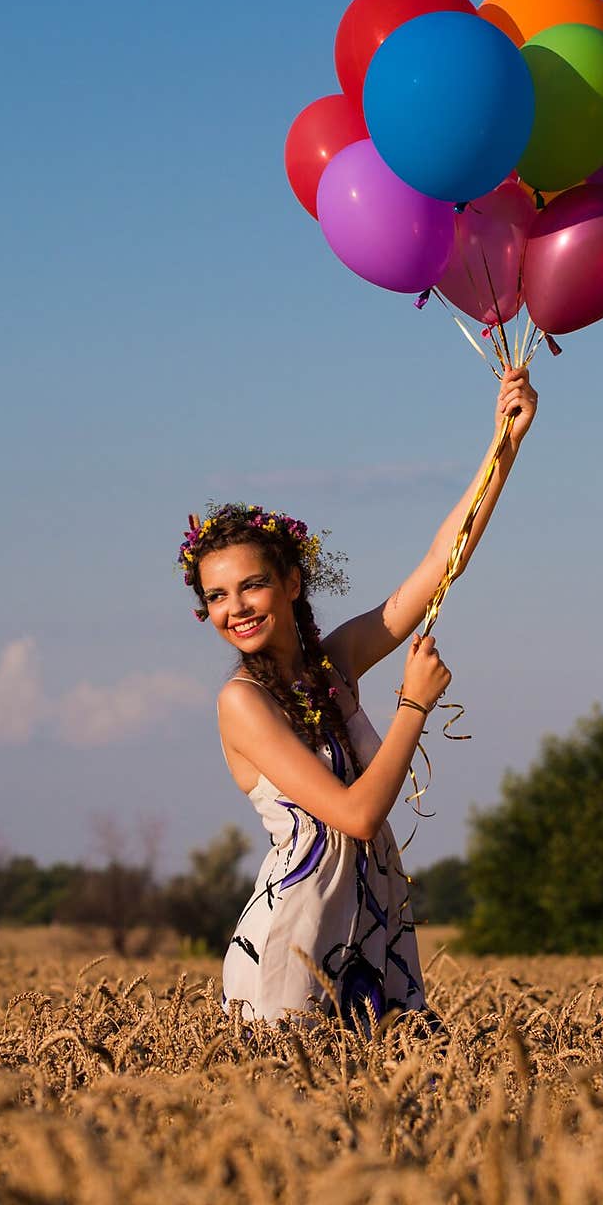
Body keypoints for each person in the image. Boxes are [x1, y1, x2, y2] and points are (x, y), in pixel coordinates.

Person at [177, 361, 538, 1030]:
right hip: (293, 949)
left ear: (290, 582)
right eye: (216, 597)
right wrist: (412, 706)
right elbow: (357, 815)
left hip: (370, 933)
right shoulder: (242, 704)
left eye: (250, 586)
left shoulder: (332, 662)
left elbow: (440, 563)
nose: (235, 608)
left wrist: (504, 445)